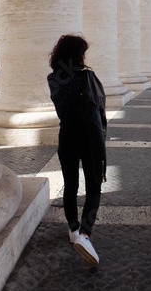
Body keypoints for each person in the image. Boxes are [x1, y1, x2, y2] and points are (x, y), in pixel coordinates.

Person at [47, 34, 107, 267]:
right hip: (88, 139)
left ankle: (73, 229)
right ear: (78, 54)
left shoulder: (53, 79)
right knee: (94, 187)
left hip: (66, 138)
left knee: (70, 185)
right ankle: (85, 234)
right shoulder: (87, 77)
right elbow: (98, 108)